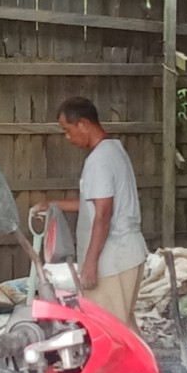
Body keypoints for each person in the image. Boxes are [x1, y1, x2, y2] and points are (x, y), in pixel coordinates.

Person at [33, 96, 148, 332]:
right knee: (124, 327)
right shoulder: (113, 150)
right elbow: (94, 204)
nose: (67, 137)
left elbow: (103, 213)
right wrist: (53, 204)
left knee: (109, 330)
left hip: (113, 258)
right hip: (126, 253)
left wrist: (90, 263)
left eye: (67, 130)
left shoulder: (99, 161)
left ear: (83, 124)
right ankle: (142, 359)